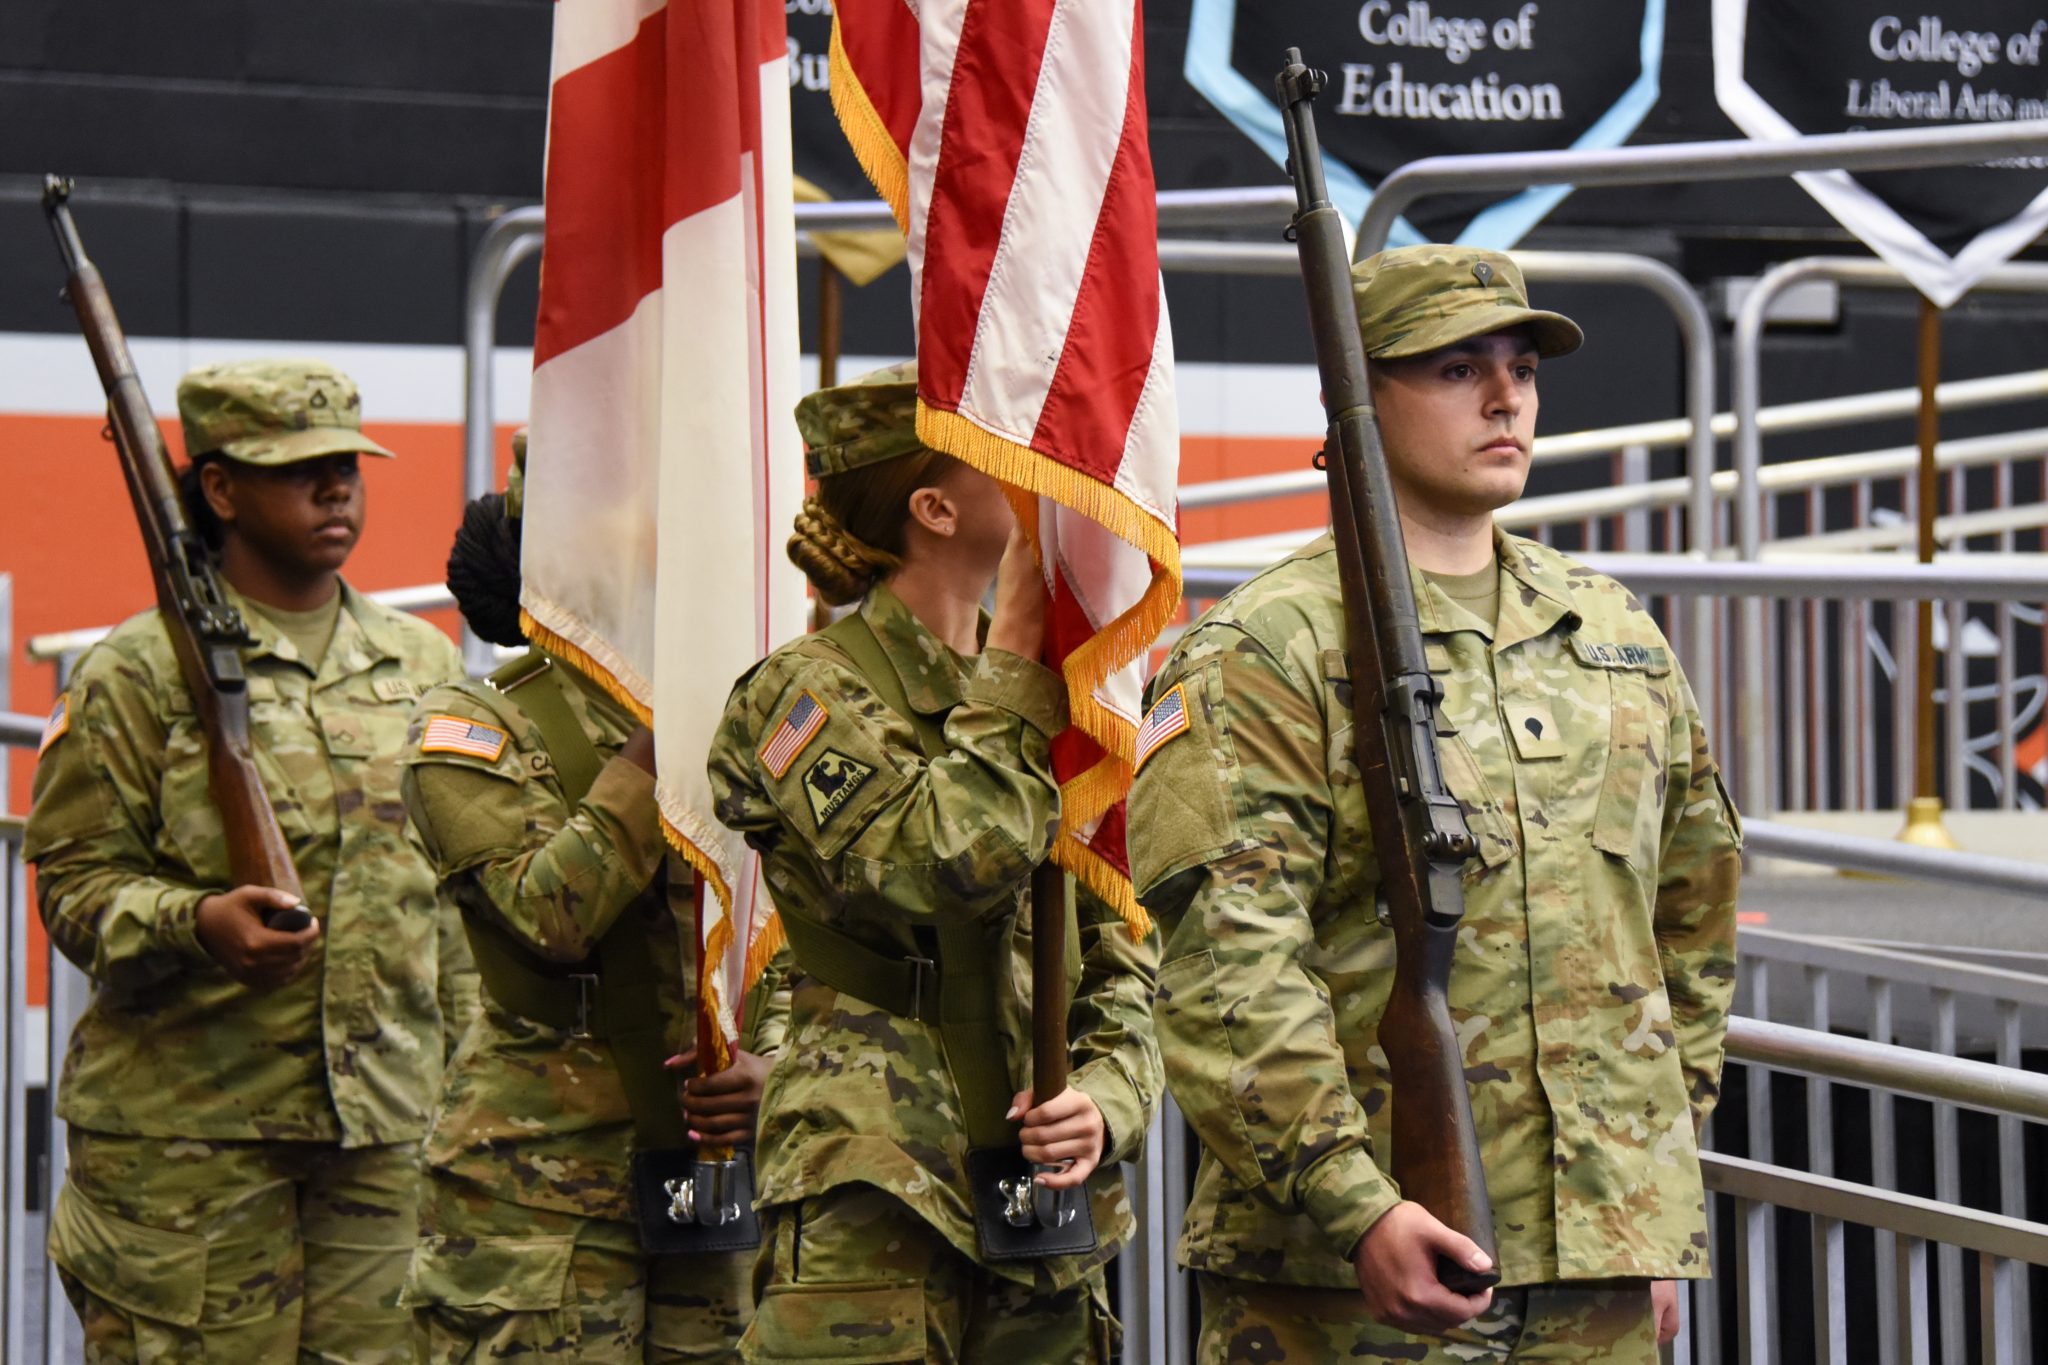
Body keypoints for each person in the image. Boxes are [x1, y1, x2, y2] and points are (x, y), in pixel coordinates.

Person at [1127, 246, 1742, 1363]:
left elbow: (1688, 924)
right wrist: (1353, 1200)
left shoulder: (1609, 631)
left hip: (1592, 1265)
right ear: (1357, 400)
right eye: (1456, 369)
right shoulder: (1268, 648)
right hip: (1352, 1273)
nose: (1506, 396)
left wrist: (1641, 1196)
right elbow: (1229, 963)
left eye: (1519, 366)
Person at [704, 363, 1163, 1363]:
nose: (1041, 480)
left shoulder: (1053, 700)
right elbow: (936, 860)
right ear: (933, 508)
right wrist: (1013, 671)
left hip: (1041, 1219)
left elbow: (1122, 960)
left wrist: (1104, 1102)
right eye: (1006, 459)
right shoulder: (806, 693)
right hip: (877, 1189)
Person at [26, 359, 478, 1363]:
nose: (336, 492)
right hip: (191, 1151)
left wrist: (468, 1100)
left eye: (347, 468)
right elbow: (75, 886)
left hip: (382, 1135)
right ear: (220, 488)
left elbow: (452, 906)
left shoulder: (422, 664)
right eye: (298, 469)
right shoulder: (135, 673)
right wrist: (196, 924)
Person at [398, 460, 790, 1362]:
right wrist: (668, 729)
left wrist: (780, 1067)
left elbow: (803, 924)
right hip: (539, 1194)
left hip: (716, 1169)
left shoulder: (756, 710)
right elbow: (551, 915)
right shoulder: (474, 722)